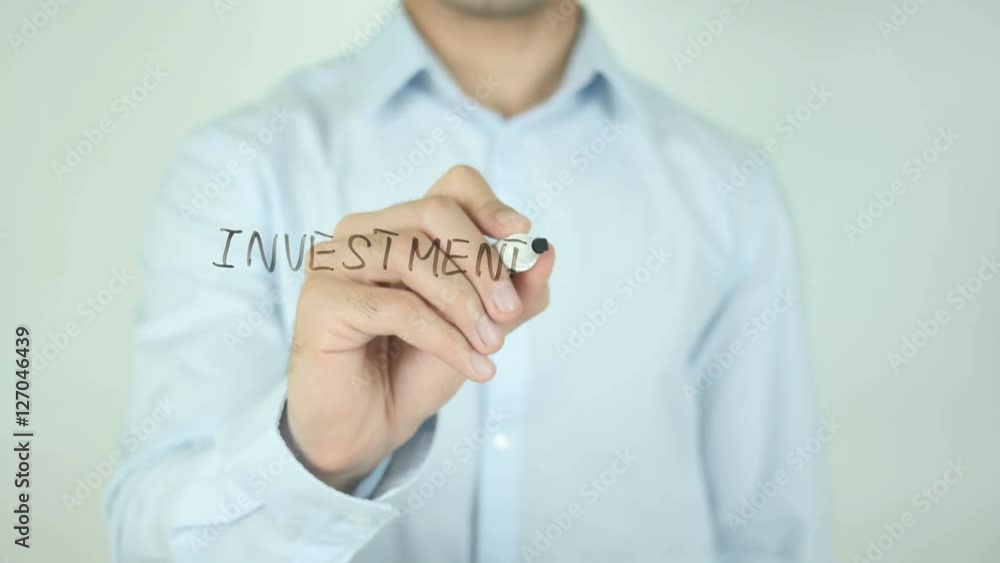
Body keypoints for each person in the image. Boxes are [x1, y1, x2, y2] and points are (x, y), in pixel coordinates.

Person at [105, 0, 830, 561]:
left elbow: (771, 536)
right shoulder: (235, 172)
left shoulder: (732, 190)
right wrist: (317, 459)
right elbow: (150, 544)